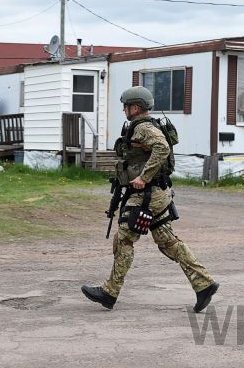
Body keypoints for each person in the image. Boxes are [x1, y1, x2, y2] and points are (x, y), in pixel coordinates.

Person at [81, 86, 219, 312]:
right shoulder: (146, 126)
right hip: (157, 194)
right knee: (167, 242)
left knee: (124, 239)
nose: (123, 109)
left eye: (125, 106)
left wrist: (144, 178)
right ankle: (203, 284)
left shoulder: (143, 128)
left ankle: (110, 292)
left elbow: (162, 147)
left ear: (135, 107)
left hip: (147, 195)